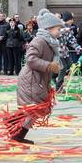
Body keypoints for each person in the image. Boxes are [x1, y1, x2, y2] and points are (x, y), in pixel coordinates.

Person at [12, 8, 63, 145]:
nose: (60, 32)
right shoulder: (39, 41)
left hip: (39, 79)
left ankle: (14, 128)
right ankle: (16, 134)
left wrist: (55, 67)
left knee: (35, 109)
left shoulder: (51, 43)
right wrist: (48, 65)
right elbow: (31, 59)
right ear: (49, 28)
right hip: (31, 79)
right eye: (58, 29)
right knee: (34, 109)